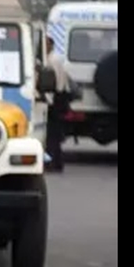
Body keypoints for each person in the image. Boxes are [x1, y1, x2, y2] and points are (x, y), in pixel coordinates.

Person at [43, 34, 72, 173]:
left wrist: (50, 102)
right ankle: (57, 162)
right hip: (59, 97)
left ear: (51, 45)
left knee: (51, 134)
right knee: (54, 133)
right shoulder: (56, 58)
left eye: (46, 44)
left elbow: (54, 82)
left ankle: (52, 162)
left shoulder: (52, 60)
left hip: (55, 98)